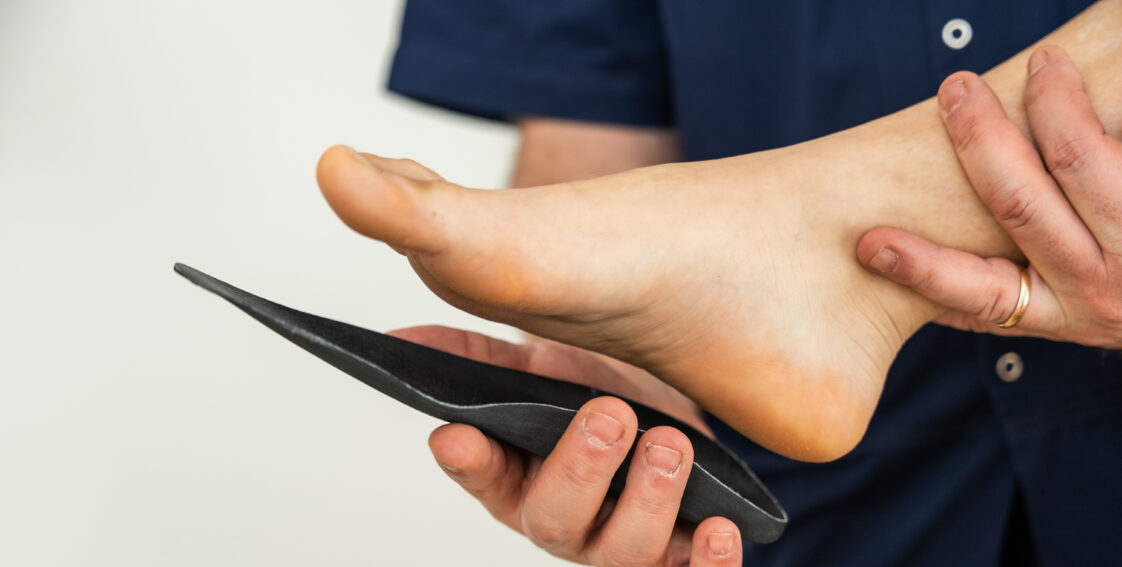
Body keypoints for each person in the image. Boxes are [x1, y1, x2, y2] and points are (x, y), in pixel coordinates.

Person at [318, 1, 1122, 564]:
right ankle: (787, 238)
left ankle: (801, 232)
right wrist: (621, 357)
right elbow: (591, 113)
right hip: (841, 526)